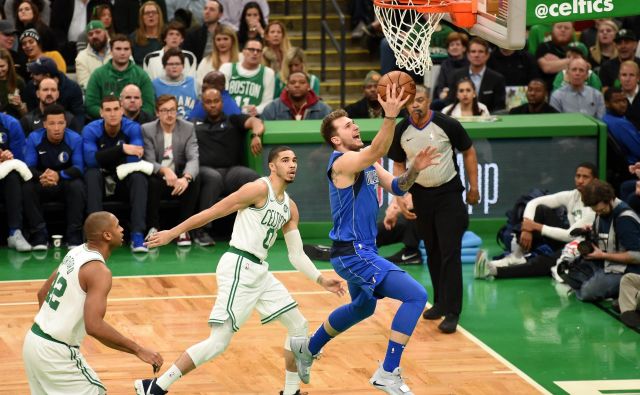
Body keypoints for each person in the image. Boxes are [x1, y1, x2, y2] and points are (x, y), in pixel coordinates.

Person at [133, 145, 345, 395]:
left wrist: (321, 280)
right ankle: (157, 386)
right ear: (272, 166)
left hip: (260, 271)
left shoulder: (290, 207)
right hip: (239, 267)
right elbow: (213, 211)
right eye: (285, 160)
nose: (292, 165)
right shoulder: (257, 189)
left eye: (295, 160)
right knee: (218, 343)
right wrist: (173, 232)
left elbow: (296, 254)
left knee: (298, 325)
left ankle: (291, 391)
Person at [289, 86, 440, 393]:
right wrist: (390, 115)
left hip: (360, 251)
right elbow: (376, 151)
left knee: (363, 306)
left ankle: (308, 347)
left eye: (353, 123)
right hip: (353, 254)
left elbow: (397, 186)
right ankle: (388, 370)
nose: (354, 126)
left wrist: (414, 171)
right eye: (347, 126)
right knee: (416, 296)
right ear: (336, 140)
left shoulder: (365, 161)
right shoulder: (341, 163)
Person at [22, 211, 164, 394]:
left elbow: (42, 294)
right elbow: (94, 326)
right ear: (107, 235)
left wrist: (54, 323)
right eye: (118, 226)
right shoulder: (99, 271)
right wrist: (138, 350)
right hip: (55, 353)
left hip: (33, 342)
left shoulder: (76, 252)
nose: (122, 230)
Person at [389, 84, 479, 334]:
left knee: (450, 252)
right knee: (432, 250)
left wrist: (474, 187)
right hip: (420, 196)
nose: (415, 105)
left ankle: (453, 312)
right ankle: (440, 302)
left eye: (419, 100)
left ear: (429, 101)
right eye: (411, 102)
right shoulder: (401, 129)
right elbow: (397, 164)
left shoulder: (447, 124)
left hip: (449, 194)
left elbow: (469, 151)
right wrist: (400, 198)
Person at [475, 163, 597, 279]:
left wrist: (537, 227)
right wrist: (527, 228)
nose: (580, 180)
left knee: (543, 261)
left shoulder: (595, 204)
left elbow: (570, 235)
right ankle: (517, 256)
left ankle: (495, 272)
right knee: (541, 209)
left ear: (595, 180)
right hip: (568, 241)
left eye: (585, 177)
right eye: (578, 176)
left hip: (584, 248)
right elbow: (534, 202)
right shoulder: (573, 195)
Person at [192, 87, 261, 245]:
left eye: (216, 101)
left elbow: (256, 121)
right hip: (205, 170)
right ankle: (201, 231)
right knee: (213, 178)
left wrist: (256, 135)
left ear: (222, 103)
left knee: (253, 178)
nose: (212, 105)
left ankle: (255, 228)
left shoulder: (233, 120)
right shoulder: (194, 123)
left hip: (231, 171)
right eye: (208, 102)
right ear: (202, 105)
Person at [83, 95, 151, 253]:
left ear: (122, 111)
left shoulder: (132, 127)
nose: (112, 113)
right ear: (101, 113)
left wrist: (105, 156)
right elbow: (90, 160)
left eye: (116, 109)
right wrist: (121, 150)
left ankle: (137, 235)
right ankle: (95, 239)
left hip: (122, 179)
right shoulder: (91, 129)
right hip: (99, 177)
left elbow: (135, 157)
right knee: (91, 174)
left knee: (138, 177)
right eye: (108, 110)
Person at [23, 104, 85, 249]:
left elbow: (79, 167)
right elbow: (29, 167)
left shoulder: (75, 138)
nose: (56, 128)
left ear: (66, 123)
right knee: (27, 187)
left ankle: (74, 235)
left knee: (77, 185)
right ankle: (39, 234)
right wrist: (44, 177)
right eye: (52, 123)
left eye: (60, 123)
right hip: (42, 181)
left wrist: (59, 175)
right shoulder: (34, 138)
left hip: (65, 182)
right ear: (44, 124)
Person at [142, 94, 200, 246]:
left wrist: (186, 178)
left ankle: (183, 229)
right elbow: (148, 159)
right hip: (159, 176)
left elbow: (193, 157)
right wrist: (165, 171)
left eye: (172, 110)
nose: (169, 114)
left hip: (179, 176)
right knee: (151, 181)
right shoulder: (147, 129)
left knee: (194, 179)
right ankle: (153, 228)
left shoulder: (187, 128)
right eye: (164, 110)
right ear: (157, 113)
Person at [571, 179, 640, 302]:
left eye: (601, 210)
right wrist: (590, 232)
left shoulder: (624, 220)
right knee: (572, 274)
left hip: (629, 270)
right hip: (606, 263)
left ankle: (627, 290)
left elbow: (637, 256)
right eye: (595, 210)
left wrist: (602, 255)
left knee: (587, 292)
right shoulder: (601, 211)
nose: (599, 213)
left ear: (610, 200)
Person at [85, 34, 155, 120]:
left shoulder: (141, 75)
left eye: (126, 49)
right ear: (111, 51)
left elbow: (149, 106)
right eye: (118, 49)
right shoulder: (98, 74)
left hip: (135, 123)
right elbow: (90, 105)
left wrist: (131, 118)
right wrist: (112, 116)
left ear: (130, 51)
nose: (122, 53)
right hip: (105, 123)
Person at [446, 37, 506, 112]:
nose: (476, 55)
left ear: (487, 55)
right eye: (473, 51)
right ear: (468, 55)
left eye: (481, 52)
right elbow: (450, 102)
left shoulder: (497, 79)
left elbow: (499, 107)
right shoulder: (456, 75)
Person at [0, 111, 32, 252]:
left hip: (3, 177)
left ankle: (15, 233)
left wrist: (7, 157)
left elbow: (20, 159)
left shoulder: (11, 124)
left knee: (13, 175)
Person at [219, 37, 274, 116]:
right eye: (251, 49)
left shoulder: (268, 73)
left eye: (258, 51)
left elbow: (268, 102)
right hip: (228, 116)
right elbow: (221, 96)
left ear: (261, 54)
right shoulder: (227, 68)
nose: (255, 53)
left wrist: (257, 110)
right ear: (243, 52)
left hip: (253, 117)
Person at [23, 56, 84, 124]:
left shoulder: (73, 89)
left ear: (47, 76)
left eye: (36, 74)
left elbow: (78, 117)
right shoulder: (31, 87)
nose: (31, 76)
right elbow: (30, 116)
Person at [261, 71, 332, 121]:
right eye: (292, 82)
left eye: (302, 82)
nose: (297, 85)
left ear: (308, 86)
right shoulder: (271, 109)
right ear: (287, 87)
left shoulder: (324, 110)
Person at [151, 48, 198, 120]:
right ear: (164, 66)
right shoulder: (155, 85)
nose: (174, 67)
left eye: (177, 64)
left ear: (183, 66)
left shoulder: (193, 82)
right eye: (170, 64)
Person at [195, 24, 239, 92]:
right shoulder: (206, 61)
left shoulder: (242, 59)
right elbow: (199, 84)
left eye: (225, 39)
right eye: (218, 39)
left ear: (233, 40)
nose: (222, 43)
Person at [603, 87, 640, 166]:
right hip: (631, 166)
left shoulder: (605, 117)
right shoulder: (620, 124)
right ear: (606, 103)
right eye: (617, 102)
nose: (622, 105)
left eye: (624, 100)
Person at [75, 20, 111, 91]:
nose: (94, 36)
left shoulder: (119, 49)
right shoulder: (81, 57)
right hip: (95, 98)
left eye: (98, 32)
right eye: (90, 34)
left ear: (106, 33)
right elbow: (85, 85)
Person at [0, 47, 27, 119]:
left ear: (9, 65)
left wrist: (20, 105)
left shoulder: (19, 81)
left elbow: (27, 114)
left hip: (14, 121)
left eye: (2, 66)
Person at [619, 60, 640, 130]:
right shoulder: (614, 97)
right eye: (624, 75)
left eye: (632, 75)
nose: (627, 79)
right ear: (619, 77)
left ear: (638, 78)